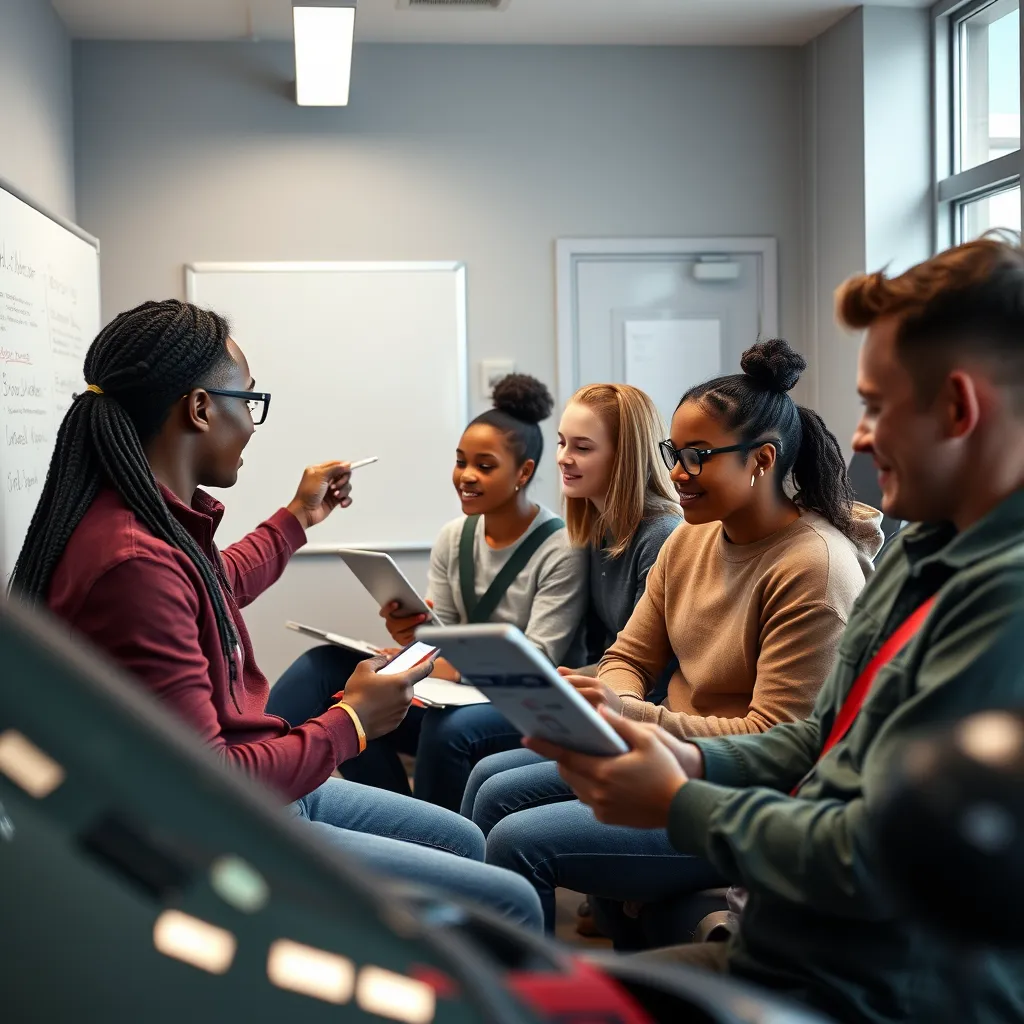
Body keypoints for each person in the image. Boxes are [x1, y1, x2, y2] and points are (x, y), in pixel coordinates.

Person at [524, 239, 1024, 1022]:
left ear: (959, 407)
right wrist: (691, 755)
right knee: (512, 1001)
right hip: (786, 948)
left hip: (864, 991)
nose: (857, 437)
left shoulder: (1003, 600)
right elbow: (818, 738)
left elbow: (875, 859)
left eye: (876, 406)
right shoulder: (923, 546)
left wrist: (683, 799)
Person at [10, 299, 541, 930]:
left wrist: (299, 517)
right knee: (510, 900)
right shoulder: (135, 561)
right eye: (249, 402)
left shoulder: (148, 522)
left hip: (273, 785)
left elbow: (214, 585)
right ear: (202, 409)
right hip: (237, 820)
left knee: (462, 840)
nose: (253, 424)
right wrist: (352, 720)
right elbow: (210, 784)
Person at [465, 339, 883, 933]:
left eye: (697, 456)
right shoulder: (691, 538)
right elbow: (627, 655)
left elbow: (779, 739)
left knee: (516, 837)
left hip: (736, 795)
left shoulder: (814, 567)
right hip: (666, 750)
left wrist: (629, 715)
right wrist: (608, 704)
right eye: (674, 453)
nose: (677, 474)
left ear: (762, 461)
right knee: (489, 787)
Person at [267, 374, 588, 811]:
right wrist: (413, 641)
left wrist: (447, 668)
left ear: (524, 472)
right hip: (458, 691)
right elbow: (447, 635)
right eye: (460, 461)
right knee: (328, 671)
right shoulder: (454, 537)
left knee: (447, 728)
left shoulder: (561, 547)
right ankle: (258, 773)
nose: (466, 476)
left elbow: (538, 660)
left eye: (485, 465)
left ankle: (432, 839)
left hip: (520, 703)